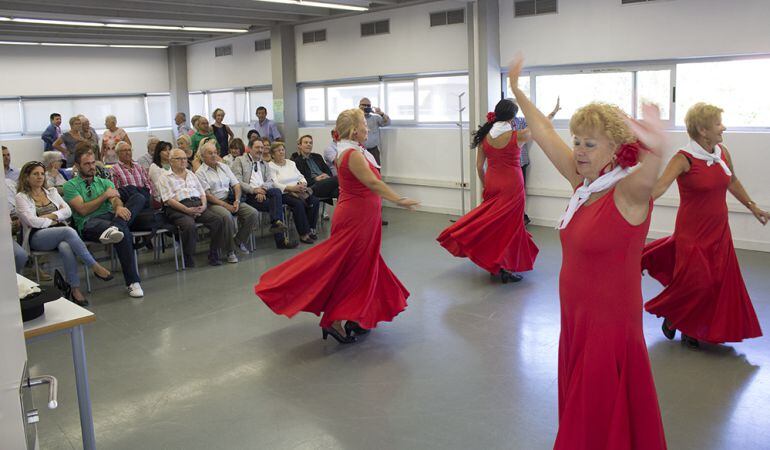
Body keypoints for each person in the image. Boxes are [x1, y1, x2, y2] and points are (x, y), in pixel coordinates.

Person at [509, 57, 667, 449]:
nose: (578, 150)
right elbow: (544, 132)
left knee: (598, 409)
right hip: (576, 318)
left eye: (589, 144)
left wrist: (656, 146)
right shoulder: (584, 183)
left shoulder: (626, 193)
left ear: (614, 148)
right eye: (577, 141)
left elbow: (648, 179)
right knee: (585, 407)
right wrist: (516, 91)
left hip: (608, 326)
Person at [255, 108, 418, 344]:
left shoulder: (354, 151)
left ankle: (355, 314)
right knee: (352, 267)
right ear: (354, 130)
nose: (368, 128)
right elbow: (372, 183)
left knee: (360, 266)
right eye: (364, 125)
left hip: (363, 216)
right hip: (357, 218)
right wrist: (399, 199)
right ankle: (335, 320)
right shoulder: (351, 154)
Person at [642, 102, 766, 349]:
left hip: (719, 230)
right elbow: (660, 186)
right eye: (718, 123)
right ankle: (674, 317)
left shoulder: (722, 153)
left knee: (717, 283)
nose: (724, 127)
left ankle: (689, 326)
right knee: (698, 282)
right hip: (692, 232)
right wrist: (633, 206)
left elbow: (732, 181)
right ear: (702, 129)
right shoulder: (683, 158)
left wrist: (752, 206)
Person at [437, 99, 539, 283]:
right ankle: (505, 267)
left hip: (493, 182)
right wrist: (553, 114)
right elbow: (540, 126)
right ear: (513, 117)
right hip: (512, 185)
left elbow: (478, 166)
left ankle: (496, 264)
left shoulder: (485, 136)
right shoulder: (519, 135)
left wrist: (486, 185)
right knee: (511, 227)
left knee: (493, 223)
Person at [15, 162, 113, 306]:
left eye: (42, 173)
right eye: (35, 174)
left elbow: (67, 212)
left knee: (66, 247)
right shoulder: (21, 197)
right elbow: (33, 222)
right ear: (26, 177)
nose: (40, 177)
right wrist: (55, 217)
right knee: (68, 231)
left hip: (59, 232)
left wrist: (49, 217)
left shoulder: (51, 192)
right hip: (36, 236)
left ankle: (75, 289)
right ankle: (94, 266)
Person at [63, 146, 145, 298]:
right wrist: (103, 197)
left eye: (93, 163)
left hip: (111, 218)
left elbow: (115, 199)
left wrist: (119, 207)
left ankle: (117, 226)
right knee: (122, 232)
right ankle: (133, 282)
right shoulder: (70, 185)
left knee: (138, 198)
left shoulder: (104, 182)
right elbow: (82, 210)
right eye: (87, 164)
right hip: (89, 223)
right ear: (77, 166)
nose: (92, 167)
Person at [160, 149, 231, 267]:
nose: (183, 161)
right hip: (178, 208)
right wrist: (186, 210)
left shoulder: (191, 174)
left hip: (197, 204)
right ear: (171, 161)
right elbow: (168, 200)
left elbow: (202, 193)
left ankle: (214, 253)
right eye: (179, 159)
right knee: (189, 225)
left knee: (217, 220)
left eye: (184, 158)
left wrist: (203, 206)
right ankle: (188, 255)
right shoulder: (165, 177)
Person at [196, 142, 258, 259]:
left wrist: (237, 200)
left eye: (215, 152)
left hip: (230, 199)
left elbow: (236, 185)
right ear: (203, 156)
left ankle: (238, 241)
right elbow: (208, 195)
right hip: (213, 203)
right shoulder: (200, 172)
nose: (214, 155)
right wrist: (226, 206)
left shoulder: (223, 167)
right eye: (210, 153)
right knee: (226, 216)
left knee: (252, 213)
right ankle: (230, 251)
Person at [231, 138, 294, 249]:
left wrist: (263, 190)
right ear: (249, 148)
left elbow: (270, 181)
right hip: (248, 195)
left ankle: (276, 222)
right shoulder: (240, 160)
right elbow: (237, 181)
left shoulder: (264, 163)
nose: (260, 150)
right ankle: (281, 241)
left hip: (263, 193)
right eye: (257, 147)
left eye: (262, 147)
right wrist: (254, 190)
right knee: (276, 207)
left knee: (276, 192)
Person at [516, 97, 561, 225]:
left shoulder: (520, 121)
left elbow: (538, 123)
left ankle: (520, 216)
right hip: (507, 164)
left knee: (520, 191)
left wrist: (554, 112)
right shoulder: (499, 126)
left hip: (521, 161)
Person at [268, 142, 320, 244]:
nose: (281, 152)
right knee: (298, 204)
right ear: (273, 154)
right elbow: (274, 183)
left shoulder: (291, 163)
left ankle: (310, 229)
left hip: (299, 189)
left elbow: (301, 176)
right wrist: (292, 188)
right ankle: (303, 234)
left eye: (283, 149)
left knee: (315, 200)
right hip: (284, 193)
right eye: (278, 150)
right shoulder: (270, 166)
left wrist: (303, 184)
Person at [291, 135, 339, 200]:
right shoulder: (297, 161)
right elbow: (302, 180)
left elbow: (328, 171)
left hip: (326, 184)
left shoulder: (318, 157)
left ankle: (309, 191)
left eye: (310, 143)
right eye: (306, 142)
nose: (309, 144)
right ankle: (310, 190)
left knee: (342, 192)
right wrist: (316, 179)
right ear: (299, 146)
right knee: (339, 179)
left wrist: (326, 176)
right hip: (314, 184)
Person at [111, 141, 158, 206]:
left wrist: (150, 195)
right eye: (124, 150)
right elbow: (116, 191)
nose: (128, 153)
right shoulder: (114, 169)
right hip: (129, 200)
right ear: (118, 153)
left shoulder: (139, 167)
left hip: (145, 197)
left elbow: (148, 184)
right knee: (133, 192)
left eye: (129, 150)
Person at [359, 97, 390, 165]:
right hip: (360, 150)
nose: (366, 107)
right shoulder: (355, 118)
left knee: (376, 170)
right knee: (362, 170)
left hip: (374, 150)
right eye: (364, 105)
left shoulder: (376, 117)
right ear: (359, 106)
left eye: (368, 105)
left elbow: (387, 123)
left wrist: (381, 114)